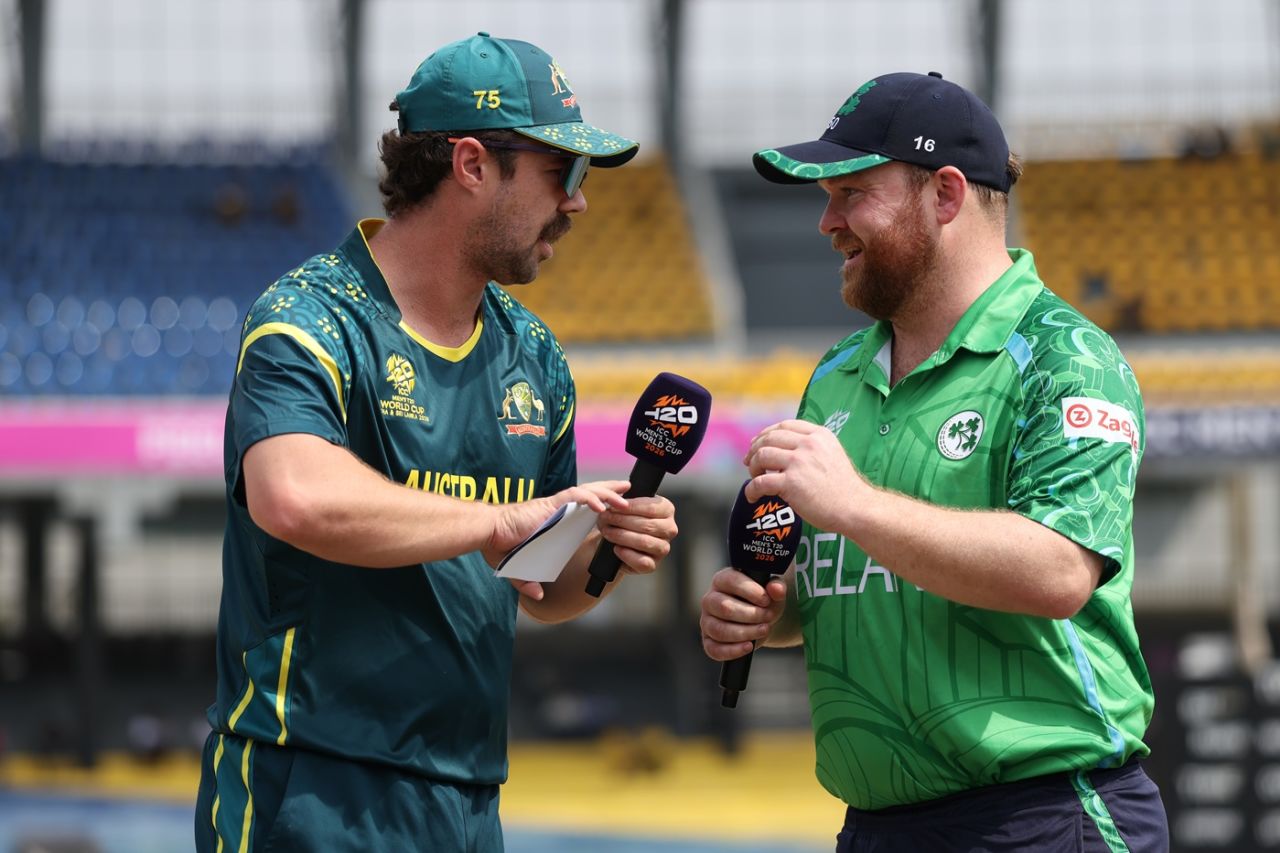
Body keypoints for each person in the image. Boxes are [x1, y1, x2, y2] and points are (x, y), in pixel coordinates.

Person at [194, 32, 678, 853]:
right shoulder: (309, 319)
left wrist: (605, 555)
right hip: (306, 786)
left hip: (467, 799)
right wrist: (496, 522)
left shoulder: (535, 355)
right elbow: (294, 496)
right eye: (565, 170)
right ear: (471, 164)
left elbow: (537, 584)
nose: (580, 201)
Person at [699, 72, 1169, 851]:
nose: (827, 221)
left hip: (1044, 817)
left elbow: (1057, 573)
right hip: (875, 825)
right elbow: (844, 583)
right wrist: (767, 615)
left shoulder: (1066, 356)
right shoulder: (836, 374)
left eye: (851, 192)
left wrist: (851, 502)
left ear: (944, 196)